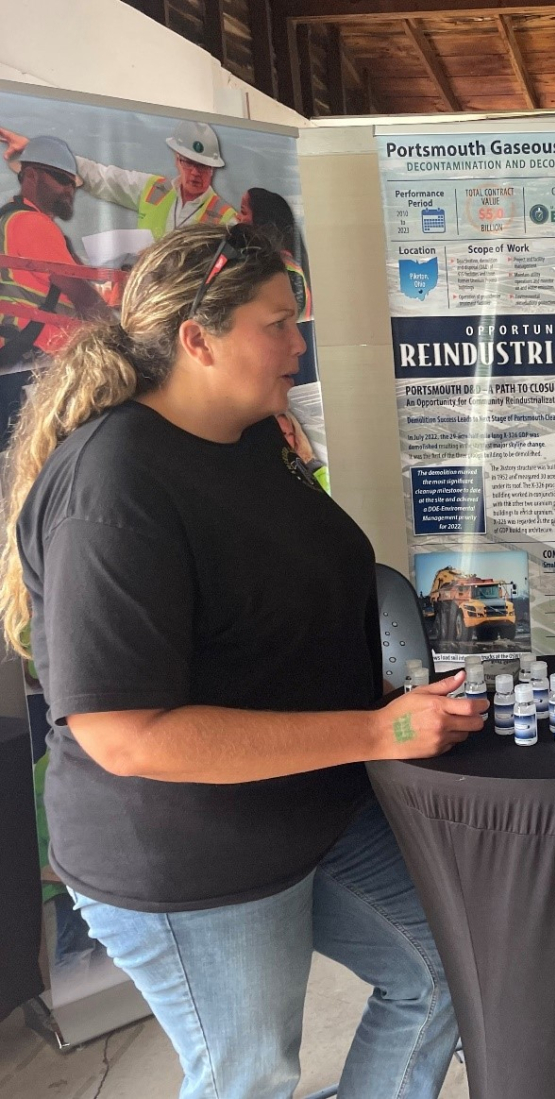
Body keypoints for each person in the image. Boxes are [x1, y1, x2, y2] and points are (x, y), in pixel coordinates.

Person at [0, 223, 488, 1099]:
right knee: (249, 1071)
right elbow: (128, 737)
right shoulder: (113, 487)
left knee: (448, 969)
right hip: (187, 854)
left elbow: (270, 607)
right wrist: (377, 729)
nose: (300, 344)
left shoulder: (255, 437)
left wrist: (371, 698)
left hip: (310, 801)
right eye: (278, 323)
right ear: (198, 338)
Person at [0, 136, 113, 440]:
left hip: (13, 365)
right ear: (32, 175)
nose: (69, 189)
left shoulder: (7, 219)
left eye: (72, 183)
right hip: (35, 368)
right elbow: (84, 297)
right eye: (61, 179)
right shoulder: (33, 224)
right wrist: (123, 341)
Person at [0, 120, 237, 239]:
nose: (196, 173)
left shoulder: (227, 218)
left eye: (204, 167)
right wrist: (37, 151)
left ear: (213, 169)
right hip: (147, 297)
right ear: (177, 159)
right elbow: (101, 177)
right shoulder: (155, 189)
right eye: (189, 163)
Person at [240, 187, 312, 321]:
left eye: (243, 212)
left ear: (261, 220)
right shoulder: (269, 263)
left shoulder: (286, 269)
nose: (238, 218)